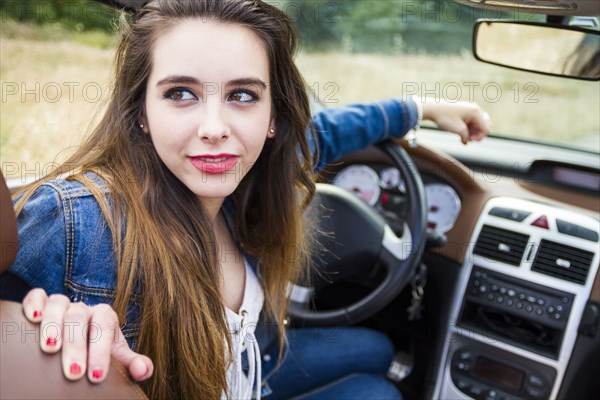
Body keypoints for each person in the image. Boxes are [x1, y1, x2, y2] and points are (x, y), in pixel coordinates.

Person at [3, 0, 491, 399]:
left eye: (242, 96)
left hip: (249, 371)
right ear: (141, 113)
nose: (215, 130)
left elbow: (325, 133)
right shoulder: (77, 218)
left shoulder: (256, 177)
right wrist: (44, 321)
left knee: (379, 352)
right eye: (179, 93)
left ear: (273, 117)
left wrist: (420, 109)